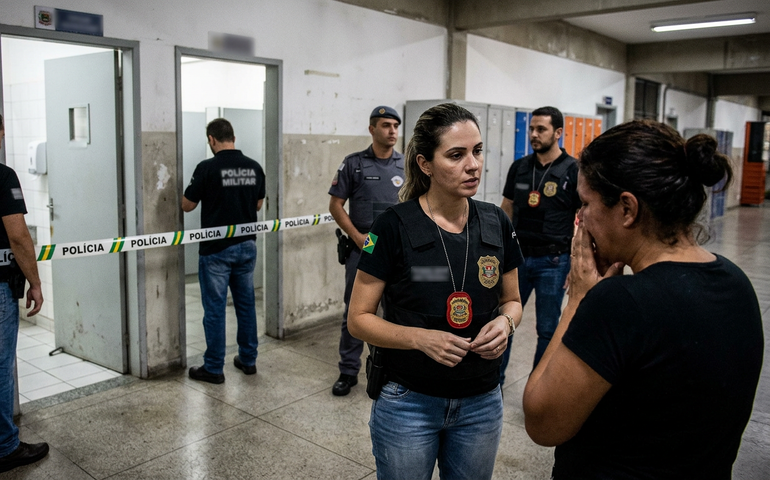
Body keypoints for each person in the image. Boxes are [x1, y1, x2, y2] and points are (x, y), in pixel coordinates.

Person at [523, 120, 764, 479]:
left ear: (627, 209)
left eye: (586, 203)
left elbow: (542, 422)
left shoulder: (619, 302)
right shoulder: (735, 282)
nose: (581, 217)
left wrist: (579, 299)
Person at [348, 103, 524, 480]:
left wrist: (507, 323)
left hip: (481, 401)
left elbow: (513, 300)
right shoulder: (393, 226)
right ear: (426, 164)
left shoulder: (496, 221)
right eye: (456, 155)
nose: (473, 164)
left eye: (477, 151)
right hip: (409, 401)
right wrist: (419, 339)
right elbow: (358, 320)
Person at [499, 106, 581, 382]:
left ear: (558, 132)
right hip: (518, 259)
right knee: (505, 320)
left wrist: (577, 261)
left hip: (553, 261)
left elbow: (583, 218)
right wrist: (499, 250)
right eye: (532, 129)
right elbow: (507, 206)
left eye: (541, 129)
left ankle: (537, 387)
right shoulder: (520, 167)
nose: (533, 134)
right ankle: (493, 383)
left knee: (547, 329)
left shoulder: (573, 170)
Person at [328, 105, 404, 396]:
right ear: (372, 129)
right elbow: (335, 205)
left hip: (397, 252)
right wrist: (359, 238)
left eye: (395, 126)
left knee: (395, 312)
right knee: (356, 312)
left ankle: (389, 368)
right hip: (365, 250)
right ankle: (348, 371)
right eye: (386, 125)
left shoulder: (406, 164)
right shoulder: (354, 164)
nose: (392, 131)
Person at [183, 118, 266, 384]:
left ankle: (213, 367)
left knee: (215, 309)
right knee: (245, 305)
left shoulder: (206, 168)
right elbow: (258, 205)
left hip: (216, 250)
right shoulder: (254, 167)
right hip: (247, 246)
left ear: (211, 140)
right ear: (233, 137)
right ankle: (248, 360)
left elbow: (187, 205)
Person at [0, 114, 49, 473]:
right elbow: (18, 236)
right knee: (1, 366)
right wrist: (34, 281)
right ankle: (5, 446)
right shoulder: (2, 176)